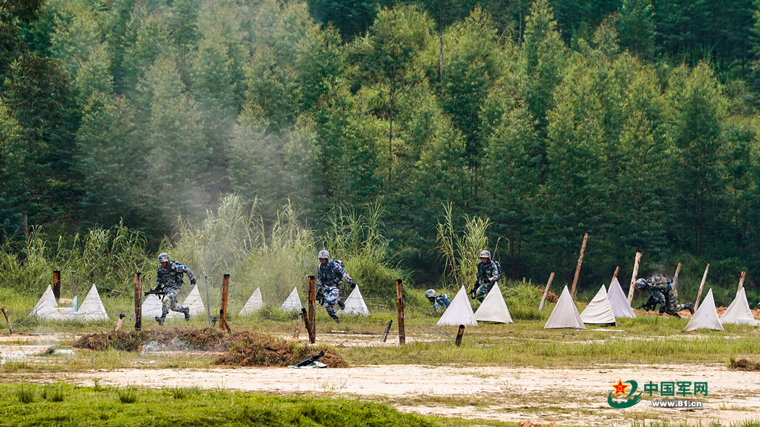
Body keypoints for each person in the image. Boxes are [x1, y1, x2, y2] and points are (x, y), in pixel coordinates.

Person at [154, 253, 195, 325]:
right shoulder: (160, 268)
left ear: (167, 261)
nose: (162, 264)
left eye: (163, 262)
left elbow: (186, 269)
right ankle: (185, 310)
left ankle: (162, 318)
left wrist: (191, 278)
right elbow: (159, 277)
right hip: (166, 287)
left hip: (175, 287)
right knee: (173, 307)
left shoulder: (175, 267)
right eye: (161, 262)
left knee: (166, 299)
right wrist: (158, 286)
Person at [317, 250, 355, 323]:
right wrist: (319, 289)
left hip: (334, 286)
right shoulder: (320, 267)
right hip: (326, 287)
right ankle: (337, 320)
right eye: (320, 259)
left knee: (330, 301)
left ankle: (339, 300)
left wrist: (350, 283)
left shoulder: (334, 265)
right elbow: (319, 278)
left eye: (323, 259)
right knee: (327, 306)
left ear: (327, 258)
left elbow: (343, 273)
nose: (322, 260)